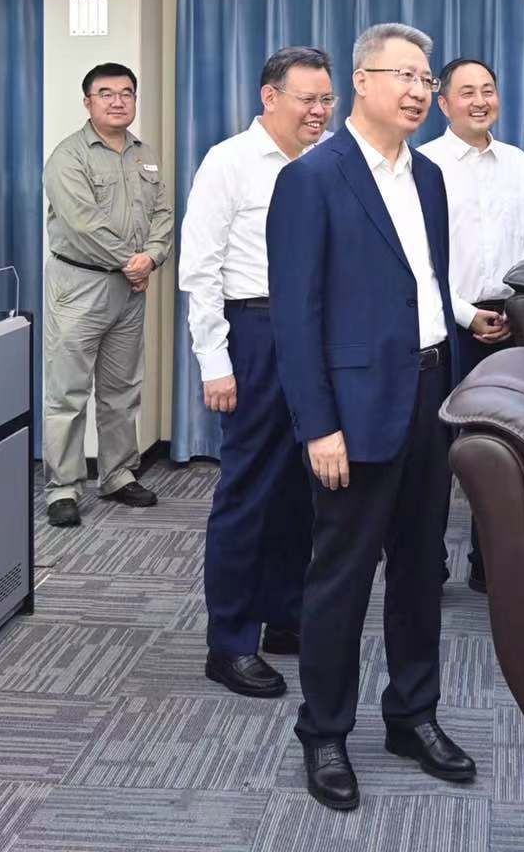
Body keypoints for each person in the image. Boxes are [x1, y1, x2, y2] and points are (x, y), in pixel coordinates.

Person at [270, 22, 492, 811]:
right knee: (342, 576)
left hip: (430, 394)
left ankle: (413, 715)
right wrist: (318, 426)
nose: (418, 90)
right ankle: (325, 732)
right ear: (361, 82)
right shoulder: (312, 177)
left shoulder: (427, 175)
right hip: (353, 411)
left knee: (422, 567)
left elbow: (423, 287)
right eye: (403, 75)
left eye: (425, 79)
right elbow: (296, 317)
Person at [181, 46, 333, 700]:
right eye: (308, 99)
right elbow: (199, 268)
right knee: (249, 490)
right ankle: (230, 642)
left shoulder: (330, 162)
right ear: (270, 97)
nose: (320, 111)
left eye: (327, 100)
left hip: (318, 334)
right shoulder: (230, 161)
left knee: (302, 487)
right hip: (256, 333)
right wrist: (215, 361)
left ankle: (285, 614)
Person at [418, 56, 524, 591]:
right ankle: (427, 566)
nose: (480, 101)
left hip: (511, 321)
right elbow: (420, 260)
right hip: (445, 323)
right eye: (466, 92)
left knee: (505, 448)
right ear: (443, 103)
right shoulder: (422, 164)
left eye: (488, 89)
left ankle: (490, 565)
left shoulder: (517, 162)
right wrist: (467, 314)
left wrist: (519, 306)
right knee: (437, 452)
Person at [40, 62, 173, 528]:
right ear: (88, 102)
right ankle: (62, 487)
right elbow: (83, 224)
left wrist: (151, 257)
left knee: (121, 389)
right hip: (79, 287)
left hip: (129, 289)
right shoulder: (68, 157)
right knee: (67, 392)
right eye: (106, 93)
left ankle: (117, 474)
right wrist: (132, 262)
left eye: (126, 93)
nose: (118, 101)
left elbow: (163, 213)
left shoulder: (144, 154)